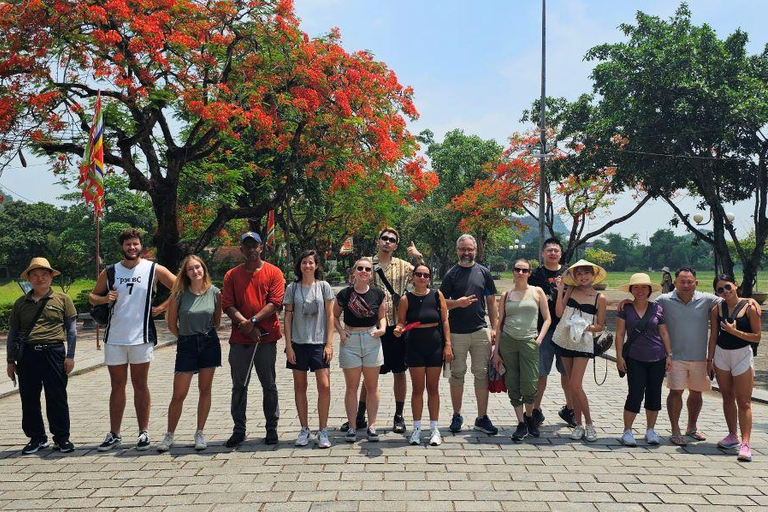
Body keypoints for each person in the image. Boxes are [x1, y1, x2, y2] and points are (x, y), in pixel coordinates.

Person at [89, 228, 176, 451]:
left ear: (142, 247)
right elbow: (92, 295)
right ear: (122, 247)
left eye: (135, 244)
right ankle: (114, 433)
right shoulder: (110, 271)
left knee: (140, 385)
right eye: (128, 244)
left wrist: (163, 307)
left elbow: (179, 286)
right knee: (117, 386)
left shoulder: (152, 269)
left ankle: (143, 433)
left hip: (141, 336)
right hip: (115, 337)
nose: (132, 248)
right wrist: (103, 299)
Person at [342, 227, 423, 434]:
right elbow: (353, 287)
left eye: (392, 240)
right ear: (378, 241)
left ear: (396, 245)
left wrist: (418, 258)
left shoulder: (404, 266)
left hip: (396, 327)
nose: (387, 242)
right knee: (366, 373)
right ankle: (359, 416)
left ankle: (398, 415)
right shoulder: (367, 263)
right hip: (371, 328)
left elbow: (423, 277)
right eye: (384, 238)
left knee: (399, 371)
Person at [6, 258, 77, 455]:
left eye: (44, 275)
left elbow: (71, 330)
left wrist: (70, 355)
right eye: (35, 275)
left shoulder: (63, 299)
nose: (40, 279)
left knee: (57, 397)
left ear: (51, 277)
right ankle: (37, 437)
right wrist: (10, 361)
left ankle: (62, 438)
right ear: (29, 278)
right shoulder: (21, 303)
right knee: (28, 398)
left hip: (54, 352)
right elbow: (12, 333)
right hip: (28, 354)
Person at [221, 231, 285, 447]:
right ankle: (239, 429)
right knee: (239, 385)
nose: (251, 250)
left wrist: (254, 322)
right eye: (246, 246)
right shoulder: (232, 275)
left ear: (261, 247)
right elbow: (227, 304)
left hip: (266, 338)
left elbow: (275, 302)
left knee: (269, 384)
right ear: (241, 249)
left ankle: (271, 428)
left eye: (254, 246)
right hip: (240, 339)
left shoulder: (274, 272)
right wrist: (245, 326)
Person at [157, 255, 222, 452]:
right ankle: (169, 434)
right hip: (187, 343)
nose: (196, 272)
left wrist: (204, 335)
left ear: (204, 269)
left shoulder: (215, 292)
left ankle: (200, 432)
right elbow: (171, 323)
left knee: (205, 389)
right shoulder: (179, 294)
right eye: (191, 269)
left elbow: (217, 322)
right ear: (185, 273)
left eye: (198, 267)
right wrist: (185, 337)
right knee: (179, 393)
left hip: (209, 342)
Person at [440, 234, 499, 435]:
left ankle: (482, 417)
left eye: (470, 249)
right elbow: (440, 303)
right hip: (456, 333)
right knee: (457, 375)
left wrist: (494, 327)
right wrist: (457, 303)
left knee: (481, 374)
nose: (466, 253)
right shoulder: (451, 274)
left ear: (475, 250)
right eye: (463, 249)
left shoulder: (484, 272)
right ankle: (457, 415)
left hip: (480, 331)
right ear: (457, 250)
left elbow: (491, 302)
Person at [394, 264, 453, 446]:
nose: (422, 277)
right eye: (418, 274)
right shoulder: (406, 298)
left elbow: (444, 321)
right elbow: (401, 322)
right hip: (415, 347)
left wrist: (448, 345)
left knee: (433, 389)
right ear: (413, 277)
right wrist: (398, 329)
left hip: (435, 345)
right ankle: (417, 429)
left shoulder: (437, 295)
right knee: (417, 389)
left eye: (425, 275)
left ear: (430, 277)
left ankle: (434, 429)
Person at [492, 259, 551, 442]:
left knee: (530, 383)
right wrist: (496, 351)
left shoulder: (537, 291)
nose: (520, 272)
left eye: (524, 270)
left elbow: (547, 319)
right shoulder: (506, 294)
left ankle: (529, 415)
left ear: (529, 273)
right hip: (508, 342)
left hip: (529, 342)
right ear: (513, 271)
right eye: (517, 269)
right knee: (512, 382)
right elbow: (500, 323)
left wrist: (539, 339)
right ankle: (521, 423)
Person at [284, 250, 334, 449]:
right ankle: (304, 428)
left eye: (311, 262)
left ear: (316, 265)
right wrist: (288, 346)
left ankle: (323, 430)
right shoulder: (292, 288)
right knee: (300, 386)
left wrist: (329, 344)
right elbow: (287, 318)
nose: (307, 266)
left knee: (325, 386)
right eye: (304, 262)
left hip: (319, 343)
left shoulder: (324, 287)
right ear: (299, 265)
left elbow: (330, 316)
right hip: (298, 343)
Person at [552, 259, 607, 442]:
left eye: (586, 273)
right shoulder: (572, 290)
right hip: (565, 339)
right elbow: (559, 313)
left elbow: (600, 326)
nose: (583, 277)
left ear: (593, 275)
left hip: (583, 342)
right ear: (574, 277)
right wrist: (560, 290)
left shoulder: (600, 298)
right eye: (579, 274)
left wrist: (585, 327)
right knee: (572, 385)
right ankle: (578, 425)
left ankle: (590, 424)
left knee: (576, 384)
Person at [707, 274, 761, 462]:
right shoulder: (716, 309)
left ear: (735, 285)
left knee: (744, 401)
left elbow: (757, 337)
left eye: (728, 287)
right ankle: (732, 435)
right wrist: (709, 359)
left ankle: (746, 443)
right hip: (722, 355)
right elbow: (713, 335)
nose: (725, 292)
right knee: (727, 396)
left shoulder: (750, 308)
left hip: (742, 355)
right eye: (720, 289)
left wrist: (734, 331)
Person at [615, 273, 672, 447]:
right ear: (631, 290)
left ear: (649, 290)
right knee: (635, 393)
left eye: (644, 287)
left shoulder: (657, 308)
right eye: (636, 287)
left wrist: (669, 354)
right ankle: (627, 430)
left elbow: (663, 332)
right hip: (634, 357)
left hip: (657, 356)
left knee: (655, 394)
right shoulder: (625, 308)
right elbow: (619, 333)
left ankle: (650, 429)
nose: (640, 291)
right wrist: (618, 357)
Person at [334, 257, 387, 442]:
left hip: (371, 339)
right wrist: (340, 331)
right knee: (351, 387)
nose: (364, 271)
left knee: (372, 387)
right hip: (351, 341)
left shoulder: (378, 294)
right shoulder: (344, 294)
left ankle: (372, 426)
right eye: (360, 268)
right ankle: (352, 426)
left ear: (371, 274)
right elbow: (333, 316)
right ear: (354, 272)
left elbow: (382, 316)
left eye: (367, 269)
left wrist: (382, 329)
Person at [527, 237, 575, 428]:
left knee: (567, 373)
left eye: (556, 250)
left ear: (561, 254)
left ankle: (569, 409)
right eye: (549, 250)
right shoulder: (535, 274)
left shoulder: (569, 273)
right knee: (541, 372)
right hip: (543, 329)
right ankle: (536, 410)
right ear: (543, 253)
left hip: (565, 328)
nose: (553, 253)